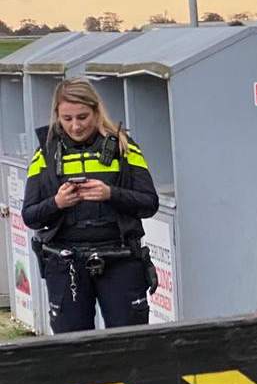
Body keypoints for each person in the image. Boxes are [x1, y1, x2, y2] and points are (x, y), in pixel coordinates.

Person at [21, 79, 159, 334]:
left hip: (119, 259)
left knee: (130, 345)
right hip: (66, 264)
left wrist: (111, 194)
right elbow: (30, 216)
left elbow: (149, 203)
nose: (75, 126)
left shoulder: (124, 147)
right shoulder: (45, 154)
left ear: (97, 111)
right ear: (57, 116)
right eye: (67, 118)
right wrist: (57, 203)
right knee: (72, 352)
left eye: (83, 117)